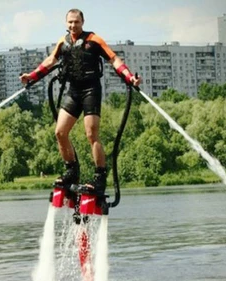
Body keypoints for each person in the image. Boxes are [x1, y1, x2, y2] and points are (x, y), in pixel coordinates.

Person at [20, 8, 141, 195]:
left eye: (76, 22)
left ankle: (100, 177)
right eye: (69, 22)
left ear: (82, 22)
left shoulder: (94, 40)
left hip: (91, 91)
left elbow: (114, 59)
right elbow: (51, 60)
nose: (73, 25)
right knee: (60, 132)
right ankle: (72, 171)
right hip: (73, 91)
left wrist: (130, 77)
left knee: (91, 134)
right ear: (65, 23)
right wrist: (32, 76)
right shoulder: (63, 42)